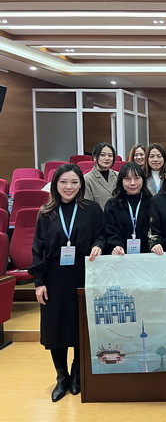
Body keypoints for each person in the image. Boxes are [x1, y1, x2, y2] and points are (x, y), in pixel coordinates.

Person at [29, 163, 105, 402]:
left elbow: (101, 235)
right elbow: (37, 248)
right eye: (63, 182)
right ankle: (61, 376)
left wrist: (98, 245)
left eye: (74, 182)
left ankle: (77, 373)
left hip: (83, 274)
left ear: (81, 184)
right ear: (55, 184)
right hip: (54, 277)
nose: (68, 187)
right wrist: (39, 282)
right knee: (56, 327)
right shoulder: (46, 212)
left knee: (80, 325)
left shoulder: (92, 209)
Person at [104, 162, 152, 255]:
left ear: (143, 180)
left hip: (148, 255)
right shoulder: (112, 204)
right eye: (127, 179)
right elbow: (110, 230)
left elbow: (156, 229)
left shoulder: (151, 202)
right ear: (121, 181)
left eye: (137, 178)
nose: (132, 183)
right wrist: (116, 245)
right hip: (120, 255)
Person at [84, 142, 119, 210]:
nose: (107, 158)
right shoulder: (87, 179)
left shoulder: (118, 175)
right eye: (102, 155)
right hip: (99, 215)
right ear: (95, 157)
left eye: (110, 155)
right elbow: (88, 206)